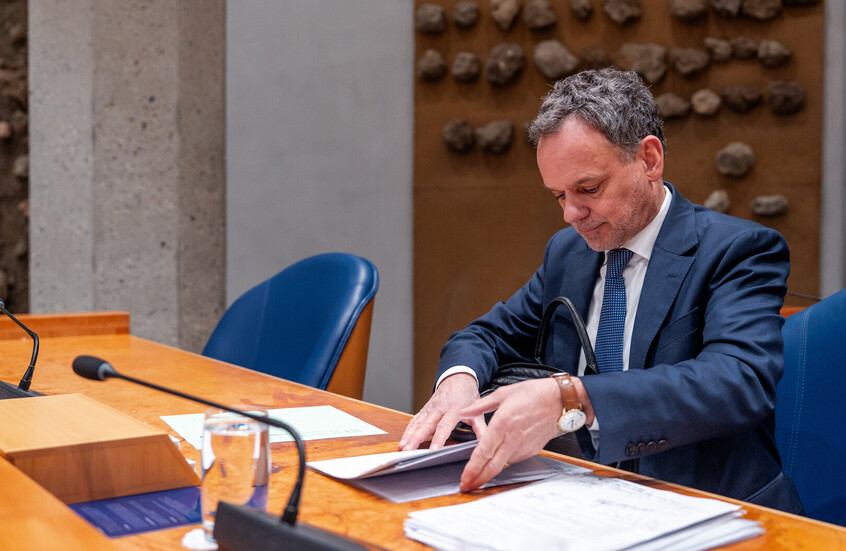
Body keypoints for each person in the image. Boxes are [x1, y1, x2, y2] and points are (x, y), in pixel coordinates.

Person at [399, 68, 803, 513]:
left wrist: (573, 398)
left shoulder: (737, 249)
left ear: (649, 160)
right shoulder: (568, 252)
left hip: (708, 507)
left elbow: (738, 381)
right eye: (559, 195)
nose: (571, 213)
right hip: (583, 501)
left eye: (588, 188)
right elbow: (486, 336)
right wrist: (458, 381)